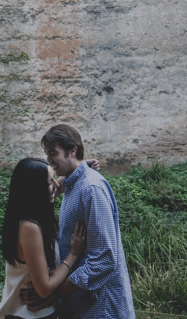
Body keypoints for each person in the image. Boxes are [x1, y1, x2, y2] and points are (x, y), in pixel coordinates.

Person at [38, 124, 136, 318]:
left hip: (100, 309)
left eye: (53, 153)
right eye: (47, 154)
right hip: (80, 305)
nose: (49, 160)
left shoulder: (91, 189)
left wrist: (57, 291)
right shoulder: (71, 183)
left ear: (72, 150)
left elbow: (104, 259)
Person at [0, 157, 87, 319]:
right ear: (34, 190)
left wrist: (81, 166)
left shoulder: (24, 214)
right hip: (29, 315)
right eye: (49, 182)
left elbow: (59, 186)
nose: (56, 185)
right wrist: (74, 254)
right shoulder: (29, 228)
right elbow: (44, 289)